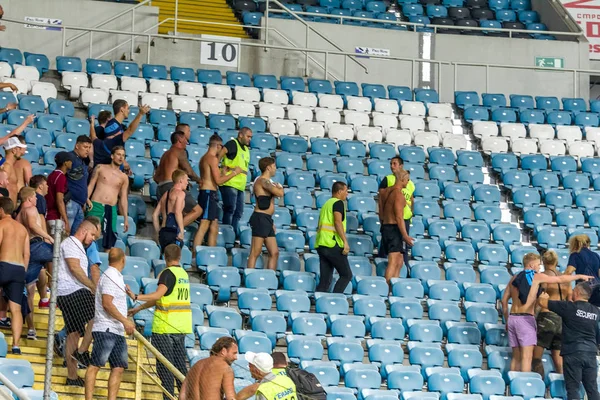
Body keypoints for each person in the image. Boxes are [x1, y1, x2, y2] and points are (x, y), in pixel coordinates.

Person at [501, 253, 591, 373]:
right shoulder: (536, 277)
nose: (539, 267)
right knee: (527, 357)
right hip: (526, 319)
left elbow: (504, 300)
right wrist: (579, 276)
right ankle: (526, 389)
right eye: (538, 265)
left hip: (512, 318)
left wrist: (507, 319)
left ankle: (514, 388)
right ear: (531, 265)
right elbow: (560, 279)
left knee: (516, 357)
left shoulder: (514, 278)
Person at [128, 244, 191, 400]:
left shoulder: (167, 274)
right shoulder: (183, 274)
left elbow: (158, 295)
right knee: (180, 370)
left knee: (166, 370)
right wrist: (139, 309)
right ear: (180, 257)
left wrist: (136, 297)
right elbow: (162, 298)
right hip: (180, 327)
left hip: (165, 328)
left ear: (164, 257)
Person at [84, 248, 135, 400]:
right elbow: (107, 303)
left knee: (118, 367)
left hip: (117, 329)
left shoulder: (116, 277)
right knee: (95, 365)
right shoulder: (111, 276)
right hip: (107, 328)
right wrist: (125, 320)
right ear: (123, 259)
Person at [56, 216, 101, 387]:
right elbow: (74, 268)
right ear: (84, 231)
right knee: (97, 314)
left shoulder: (77, 246)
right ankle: (82, 352)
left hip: (67, 292)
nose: (93, 240)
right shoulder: (71, 244)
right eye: (93, 235)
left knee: (73, 333)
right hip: (73, 290)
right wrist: (92, 286)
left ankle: (72, 376)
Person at [538, 282, 600, 400]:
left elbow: (542, 303)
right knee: (592, 389)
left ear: (576, 292)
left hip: (573, 352)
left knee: (572, 389)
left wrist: (543, 294)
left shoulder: (568, 307)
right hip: (591, 353)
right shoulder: (595, 311)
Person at [16, 187, 53, 340]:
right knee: (60, 253)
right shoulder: (30, 209)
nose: (37, 200)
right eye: (35, 197)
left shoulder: (18, 214)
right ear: (30, 198)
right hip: (36, 246)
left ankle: (31, 329)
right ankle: (54, 286)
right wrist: (49, 237)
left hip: (26, 252)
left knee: (30, 291)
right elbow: (32, 225)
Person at [197, 134, 243, 248]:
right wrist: (234, 173)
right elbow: (218, 181)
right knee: (204, 225)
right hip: (208, 193)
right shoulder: (212, 159)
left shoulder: (204, 157)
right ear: (218, 146)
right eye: (222, 147)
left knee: (214, 226)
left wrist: (223, 172)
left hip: (208, 193)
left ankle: (211, 251)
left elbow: (212, 177)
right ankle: (195, 254)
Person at [531, 250, 571, 377]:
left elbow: (538, 298)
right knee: (558, 357)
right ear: (556, 262)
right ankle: (563, 387)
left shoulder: (543, 277)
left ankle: (539, 384)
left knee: (536, 357)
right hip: (561, 318)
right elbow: (569, 300)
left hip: (547, 316)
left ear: (543, 262)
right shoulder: (565, 279)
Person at [0, 197, 29, 354]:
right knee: (16, 309)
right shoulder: (22, 229)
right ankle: (16, 345)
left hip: (3, 264)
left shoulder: (2, 224)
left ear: (1, 210)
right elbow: (27, 254)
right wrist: (22, 271)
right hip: (18, 269)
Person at [86, 146, 129, 250]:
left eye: (123, 155)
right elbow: (91, 185)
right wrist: (86, 199)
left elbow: (123, 198)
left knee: (110, 241)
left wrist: (125, 218)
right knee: (89, 235)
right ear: (112, 156)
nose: (121, 157)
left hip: (111, 208)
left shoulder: (124, 177)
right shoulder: (101, 168)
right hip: (95, 205)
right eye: (118, 154)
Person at [314, 182, 352, 294]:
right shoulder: (338, 203)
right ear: (339, 191)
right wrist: (345, 241)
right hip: (332, 244)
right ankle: (335, 299)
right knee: (346, 275)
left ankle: (319, 302)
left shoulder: (326, 204)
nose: (347, 194)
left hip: (322, 244)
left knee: (325, 281)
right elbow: (337, 222)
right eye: (346, 191)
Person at [379, 170, 414, 285]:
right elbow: (399, 218)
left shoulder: (385, 191)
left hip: (386, 227)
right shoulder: (399, 195)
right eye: (407, 179)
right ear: (402, 179)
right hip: (393, 229)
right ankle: (387, 289)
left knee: (399, 261)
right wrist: (405, 236)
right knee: (394, 261)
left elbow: (381, 210)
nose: (408, 182)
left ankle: (393, 287)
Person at [247, 157, 283, 270]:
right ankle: (250, 275)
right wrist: (280, 188)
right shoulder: (262, 181)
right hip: (260, 218)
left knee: (274, 252)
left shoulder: (268, 182)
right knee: (255, 252)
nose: (275, 169)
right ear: (268, 167)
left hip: (267, 219)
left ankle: (270, 277)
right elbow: (279, 193)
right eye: (274, 166)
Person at [378, 156, 414, 259]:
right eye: (391, 164)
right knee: (391, 253)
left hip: (405, 218)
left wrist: (411, 214)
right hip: (392, 221)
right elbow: (381, 200)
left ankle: (404, 270)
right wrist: (382, 219)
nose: (392, 166)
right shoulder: (388, 179)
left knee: (402, 251)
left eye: (394, 163)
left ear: (401, 165)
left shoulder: (410, 183)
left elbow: (411, 199)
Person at [92, 100, 149, 166]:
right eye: (127, 108)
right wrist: (140, 114)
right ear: (122, 109)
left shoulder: (119, 125)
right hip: (107, 165)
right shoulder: (112, 125)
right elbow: (113, 145)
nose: (129, 111)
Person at [219, 127, 252, 235]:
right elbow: (219, 155)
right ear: (240, 135)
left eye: (250, 137)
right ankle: (226, 234)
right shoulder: (233, 144)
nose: (249, 139)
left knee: (238, 212)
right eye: (248, 136)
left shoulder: (246, 149)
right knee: (230, 210)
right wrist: (220, 168)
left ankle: (231, 234)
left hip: (240, 186)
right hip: (230, 183)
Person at [154, 128, 203, 200]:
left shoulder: (165, 154)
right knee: (195, 209)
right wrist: (200, 181)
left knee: (166, 210)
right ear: (180, 139)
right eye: (185, 139)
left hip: (160, 187)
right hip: (171, 186)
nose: (187, 142)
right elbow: (189, 171)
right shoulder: (179, 151)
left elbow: (155, 177)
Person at [153, 170, 191, 251]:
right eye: (186, 180)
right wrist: (181, 231)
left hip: (163, 232)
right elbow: (177, 212)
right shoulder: (181, 193)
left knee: (165, 259)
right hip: (173, 232)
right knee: (173, 260)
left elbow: (155, 215)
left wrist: (158, 232)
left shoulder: (166, 194)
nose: (187, 183)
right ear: (181, 180)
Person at [66, 135, 93, 234]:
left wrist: (86, 198)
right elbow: (62, 176)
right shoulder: (69, 158)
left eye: (89, 148)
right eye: (85, 147)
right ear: (77, 146)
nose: (88, 150)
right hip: (70, 202)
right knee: (66, 234)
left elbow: (80, 182)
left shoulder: (81, 161)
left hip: (80, 204)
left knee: (75, 237)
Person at [46, 152, 75, 234]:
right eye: (70, 160)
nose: (71, 162)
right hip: (55, 217)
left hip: (49, 216)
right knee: (57, 245)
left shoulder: (52, 175)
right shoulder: (61, 177)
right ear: (65, 162)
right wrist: (66, 221)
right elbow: (59, 200)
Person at [1, 135, 28, 203]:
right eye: (19, 148)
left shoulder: (10, 165)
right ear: (14, 150)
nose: (21, 151)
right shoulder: (6, 166)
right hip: (5, 209)